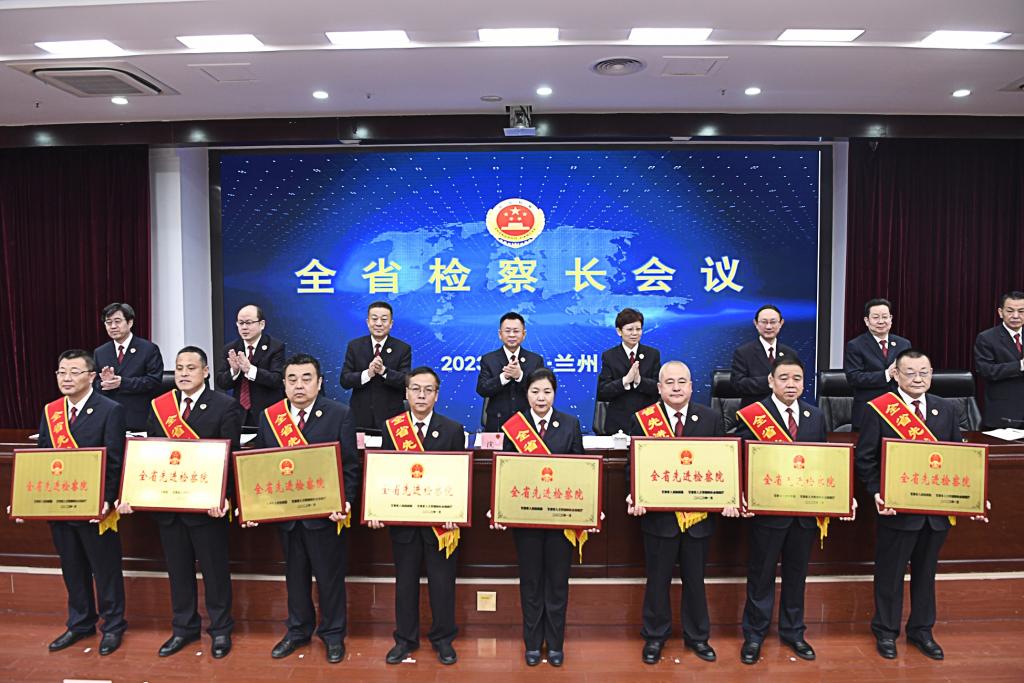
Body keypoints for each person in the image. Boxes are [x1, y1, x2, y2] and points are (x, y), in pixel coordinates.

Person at [119, 346, 243, 659]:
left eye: (191, 367)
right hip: (170, 507)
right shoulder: (161, 406)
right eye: (179, 368)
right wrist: (137, 492)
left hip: (207, 508)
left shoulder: (225, 406)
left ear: (206, 372)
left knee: (214, 572)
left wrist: (225, 497)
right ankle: (183, 628)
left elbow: (232, 457)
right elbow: (152, 453)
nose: (184, 373)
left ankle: (220, 629)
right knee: (178, 571)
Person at [855, 349, 977, 661]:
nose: (918, 378)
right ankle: (886, 631)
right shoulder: (879, 409)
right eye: (910, 372)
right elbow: (865, 459)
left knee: (926, 573)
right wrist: (876, 492)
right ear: (895, 375)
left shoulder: (945, 408)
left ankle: (922, 630)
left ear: (932, 374)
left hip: (935, 512)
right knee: (890, 573)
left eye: (924, 372)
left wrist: (973, 494)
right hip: (897, 510)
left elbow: (957, 456)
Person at [735, 356, 851, 665]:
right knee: (761, 575)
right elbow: (741, 460)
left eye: (797, 379)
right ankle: (755, 634)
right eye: (784, 378)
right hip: (768, 513)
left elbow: (823, 462)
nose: (790, 384)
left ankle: (793, 631)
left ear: (804, 383)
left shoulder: (815, 416)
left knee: (797, 575)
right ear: (771, 381)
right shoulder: (753, 416)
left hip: (803, 513)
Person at [625, 360, 737, 665]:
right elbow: (633, 465)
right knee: (657, 580)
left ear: (691, 386)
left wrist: (729, 495)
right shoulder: (643, 419)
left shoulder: (710, 418)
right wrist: (634, 493)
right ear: (659, 388)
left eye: (682, 382)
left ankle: (698, 637)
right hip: (659, 517)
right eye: (669, 382)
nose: (676, 388)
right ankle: (654, 636)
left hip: (698, 517)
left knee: (695, 580)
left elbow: (722, 463)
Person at [251, 353, 359, 664]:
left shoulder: (339, 414)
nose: (299, 385)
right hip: (287, 516)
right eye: (292, 379)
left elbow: (350, 467)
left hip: (325, 516)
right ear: (284, 384)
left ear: (319, 382)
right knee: (295, 577)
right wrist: (255, 505)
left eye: (306, 378)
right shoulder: (269, 417)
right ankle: (298, 630)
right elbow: (261, 466)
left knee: (329, 578)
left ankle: (333, 634)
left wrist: (346, 502)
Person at [28, 350, 128, 656]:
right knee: (72, 568)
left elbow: (115, 460)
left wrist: (107, 500)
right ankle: (80, 623)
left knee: (105, 569)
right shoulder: (51, 412)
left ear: (92, 377)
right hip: (59, 505)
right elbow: (43, 459)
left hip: (95, 508)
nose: (67, 378)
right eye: (62, 372)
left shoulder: (110, 410)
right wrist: (27, 500)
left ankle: (113, 626)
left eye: (74, 372)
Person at [373, 367, 466, 666]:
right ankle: (405, 639)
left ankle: (443, 639)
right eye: (415, 389)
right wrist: (377, 509)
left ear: (437, 395)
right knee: (405, 583)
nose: (421, 395)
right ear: (406, 393)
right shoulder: (392, 429)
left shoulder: (452, 429)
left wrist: (456, 512)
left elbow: (459, 478)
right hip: (404, 524)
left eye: (428, 390)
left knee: (442, 583)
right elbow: (384, 474)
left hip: (441, 525)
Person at [497, 368, 586, 667]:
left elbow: (581, 471)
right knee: (531, 583)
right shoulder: (515, 427)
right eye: (535, 391)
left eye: (547, 391)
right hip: (527, 520)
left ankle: (556, 644)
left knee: (558, 583)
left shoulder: (570, 424)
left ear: (554, 394)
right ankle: (533, 643)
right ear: (527, 394)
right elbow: (507, 472)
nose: (541, 397)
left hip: (561, 520)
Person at [340, 301, 412, 431]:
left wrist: (384, 371)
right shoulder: (355, 346)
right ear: (368, 322)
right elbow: (345, 380)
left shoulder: (402, 348)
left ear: (391, 323)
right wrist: (367, 374)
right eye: (374, 319)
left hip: (391, 417)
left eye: (384, 320)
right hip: (359, 416)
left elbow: (405, 381)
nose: (379, 323)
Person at [93, 302, 163, 431]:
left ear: (130, 323)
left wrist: (122, 383)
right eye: (108, 322)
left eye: (117, 321)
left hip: (139, 418)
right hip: (109, 418)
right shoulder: (100, 352)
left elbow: (154, 381)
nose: (113, 326)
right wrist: (104, 383)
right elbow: (94, 384)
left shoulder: (148, 349)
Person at [844, 298, 912, 430]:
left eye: (885, 317)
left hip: (899, 412)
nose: (881, 321)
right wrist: (887, 374)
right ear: (867, 321)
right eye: (876, 317)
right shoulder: (855, 345)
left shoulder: (904, 344)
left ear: (891, 319)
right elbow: (854, 378)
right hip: (868, 411)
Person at [215, 304, 285, 426]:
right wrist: (234, 372)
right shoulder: (231, 348)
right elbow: (221, 382)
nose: (244, 327)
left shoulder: (275, 347)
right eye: (240, 323)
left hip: (267, 412)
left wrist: (250, 370)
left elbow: (277, 379)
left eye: (248, 323)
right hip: (238, 413)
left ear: (261, 324)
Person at [597, 308, 661, 436]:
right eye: (630, 329)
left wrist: (639, 381)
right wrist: (625, 381)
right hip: (618, 421)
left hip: (647, 419)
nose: (635, 333)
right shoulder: (609, 356)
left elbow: (659, 388)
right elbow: (603, 391)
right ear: (619, 331)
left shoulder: (652, 354)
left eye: (638, 329)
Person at [476, 312, 544, 432]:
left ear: (524, 334)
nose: (512, 335)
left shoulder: (535, 360)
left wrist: (520, 376)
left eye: (516, 331)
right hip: (497, 426)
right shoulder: (489, 359)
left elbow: (540, 392)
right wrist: (504, 377)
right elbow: (482, 389)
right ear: (500, 334)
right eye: (507, 331)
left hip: (527, 425)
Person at [973, 290, 1024, 429]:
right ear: (1001, 312)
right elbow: (986, 370)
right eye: (1010, 311)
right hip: (1004, 413)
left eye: (1021, 311)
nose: (1016, 316)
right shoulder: (987, 338)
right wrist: (1020, 366)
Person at [730, 305, 798, 408]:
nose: (768, 327)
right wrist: (769, 381)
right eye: (764, 322)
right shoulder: (743, 352)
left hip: (783, 410)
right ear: (756, 323)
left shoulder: (790, 353)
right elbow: (738, 384)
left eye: (773, 322)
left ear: (781, 323)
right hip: (755, 411)